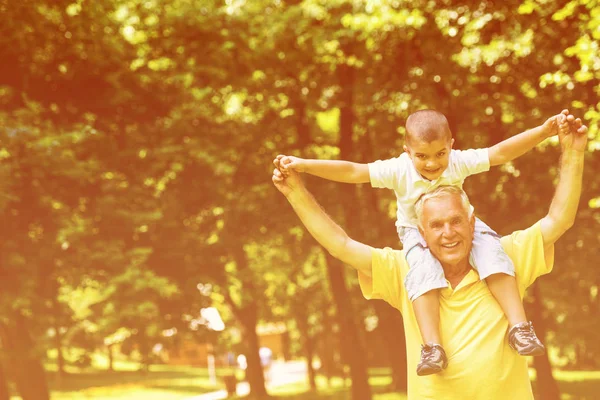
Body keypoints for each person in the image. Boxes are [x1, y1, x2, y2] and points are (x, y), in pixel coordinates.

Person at [271, 114, 587, 399]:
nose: (448, 232)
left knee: (495, 257)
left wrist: (569, 150)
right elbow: (340, 242)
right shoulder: (404, 268)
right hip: (414, 254)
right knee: (422, 273)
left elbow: (557, 218)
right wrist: (297, 186)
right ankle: (431, 347)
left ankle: (520, 327)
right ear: (423, 232)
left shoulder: (505, 255)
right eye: (436, 225)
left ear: (472, 221)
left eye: (456, 221)